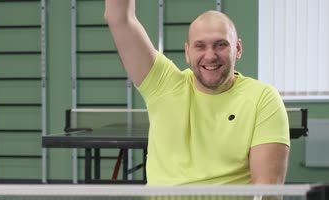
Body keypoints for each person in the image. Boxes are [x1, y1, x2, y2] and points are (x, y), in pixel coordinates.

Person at [104, 1, 290, 185]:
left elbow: (267, 192)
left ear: (238, 49)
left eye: (221, 45)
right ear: (187, 52)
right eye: (200, 46)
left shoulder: (263, 98)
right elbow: (119, 17)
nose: (210, 55)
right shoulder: (163, 85)